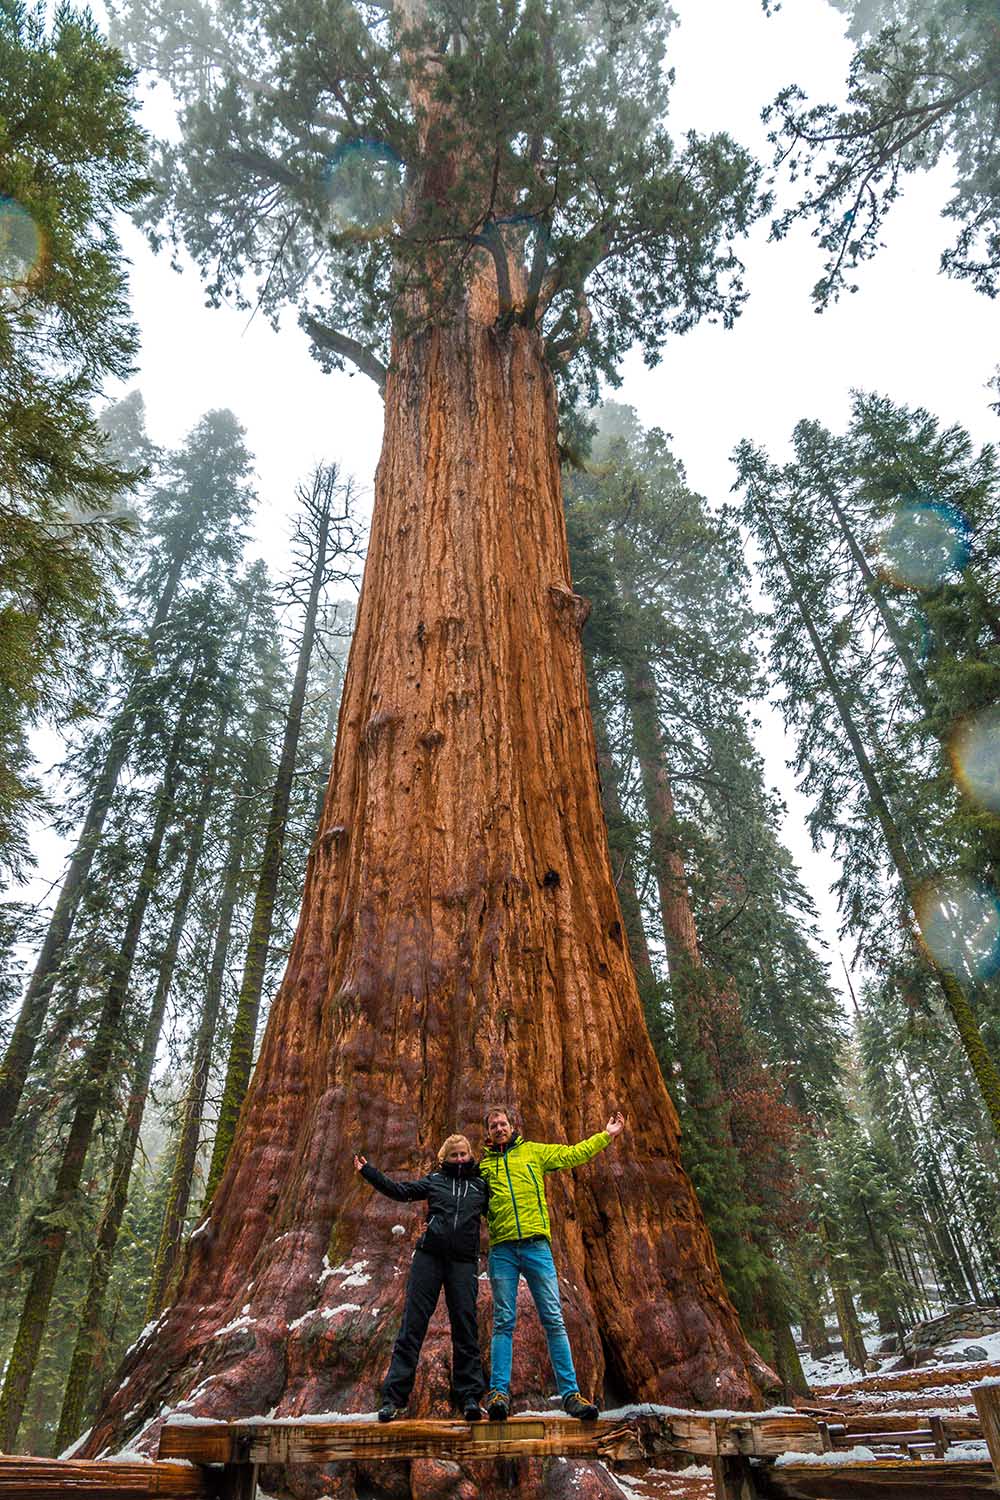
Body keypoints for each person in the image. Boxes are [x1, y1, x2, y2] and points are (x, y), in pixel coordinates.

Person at [479, 1104, 625, 1422]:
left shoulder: (533, 1152)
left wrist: (606, 1135)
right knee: (503, 1321)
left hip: (536, 1246)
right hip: (502, 1249)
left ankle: (571, 1395)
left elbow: (572, 1154)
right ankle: (499, 1395)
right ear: (488, 1134)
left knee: (553, 1320)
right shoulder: (484, 1168)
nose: (500, 1129)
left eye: (503, 1124)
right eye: (493, 1127)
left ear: (512, 1126)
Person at [354, 1134, 488, 1423]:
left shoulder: (481, 1185)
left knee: (465, 1327)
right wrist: (370, 1173)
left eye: (464, 1154)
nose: (460, 1159)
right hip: (430, 1257)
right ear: (445, 1158)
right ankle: (393, 1399)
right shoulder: (435, 1181)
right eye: (454, 1155)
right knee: (412, 1325)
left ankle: (469, 1398)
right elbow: (401, 1191)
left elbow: (500, 1211)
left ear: (470, 1155)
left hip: (463, 1262)